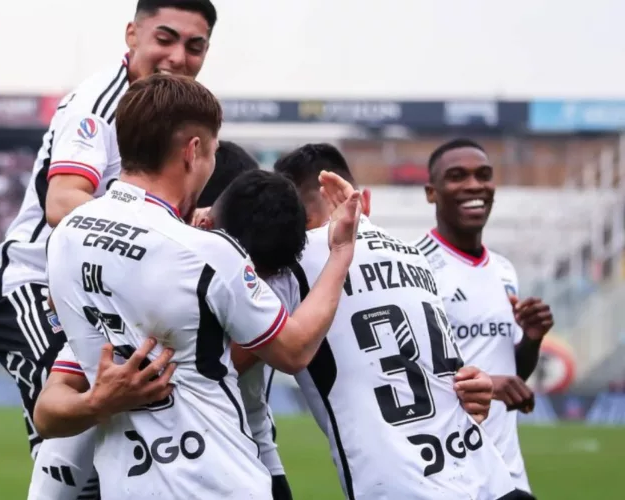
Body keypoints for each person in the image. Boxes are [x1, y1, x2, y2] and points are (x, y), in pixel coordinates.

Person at [44, 74, 361, 499]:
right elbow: (294, 349)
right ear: (194, 151)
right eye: (211, 151)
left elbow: (48, 413)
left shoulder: (66, 237)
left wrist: (97, 403)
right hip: (217, 483)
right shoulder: (207, 252)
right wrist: (340, 250)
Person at [0, 0, 218, 464]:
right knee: (72, 439)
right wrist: (166, 238)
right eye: (164, 39)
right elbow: (62, 203)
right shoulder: (100, 104)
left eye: (195, 46)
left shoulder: (178, 120)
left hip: (94, 294)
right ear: (132, 35)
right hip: (32, 288)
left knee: (124, 440)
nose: (178, 57)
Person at [27, 142, 297, 500]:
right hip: (156, 469)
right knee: (69, 446)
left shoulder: (263, 282)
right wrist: (96, 402)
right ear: (200, 221)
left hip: (248, 457)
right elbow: (49, 413)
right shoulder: (148, 291)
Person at [276, 143, 522, 500]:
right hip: (486, 476)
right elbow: (459, 380)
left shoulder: (295, 263)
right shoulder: (417, 258)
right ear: (360, 198)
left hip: (400, 485)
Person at [413, 138, 554, 499]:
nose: (474, 185)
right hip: (452, 473)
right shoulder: (415, 267)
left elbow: (513, 372)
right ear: (432, 192)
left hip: (508, 472)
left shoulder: (504, 269)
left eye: (484, 175)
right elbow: (411, 379)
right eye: (458, 176)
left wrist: (533, 338)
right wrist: (489, 384)